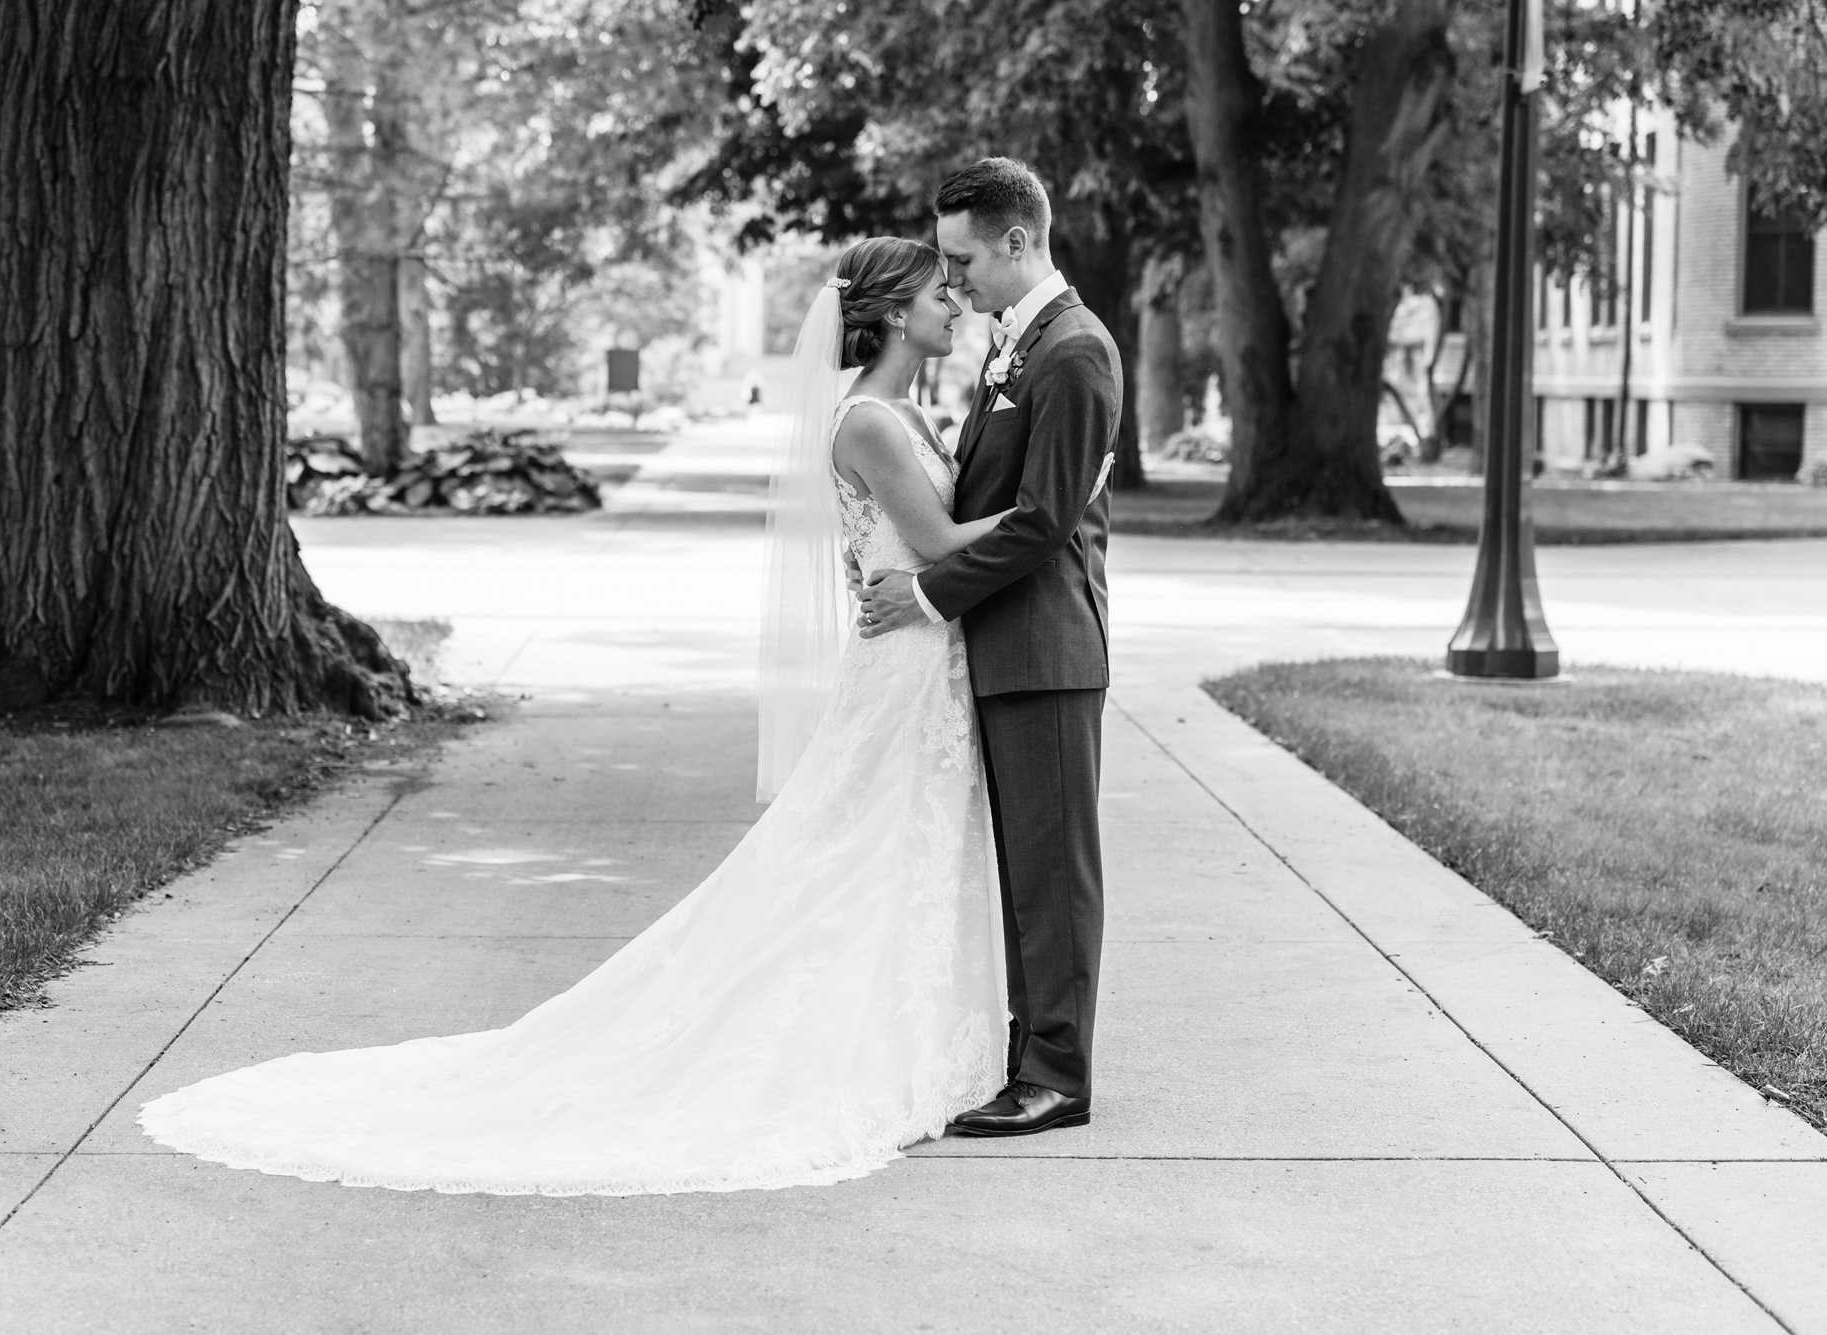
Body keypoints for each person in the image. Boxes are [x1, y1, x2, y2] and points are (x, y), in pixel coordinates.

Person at [140, 234, 1022, 1195]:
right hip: (900, 673)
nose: (957, 303)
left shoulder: (911, 413)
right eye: (943, 291)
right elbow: (933, 539)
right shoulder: (871, 424)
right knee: (856, 853)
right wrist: (1055, 508)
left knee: (896, 852)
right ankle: (844, 1044)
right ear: (894, 311)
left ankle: (907, 1027)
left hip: (923, 659)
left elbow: (899, 548)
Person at [857, 157, 1123, 1138]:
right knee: (1023, 867)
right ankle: (1026, 1056)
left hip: (1046, 653)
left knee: (1053, 874)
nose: (954, 279)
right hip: (1005, 648)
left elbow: (1044, 521)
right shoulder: (1023, 347)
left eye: (962, 259)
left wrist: (924, 594)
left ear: (1018, 240)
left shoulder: (1072, 352)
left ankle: (1055, 1078)